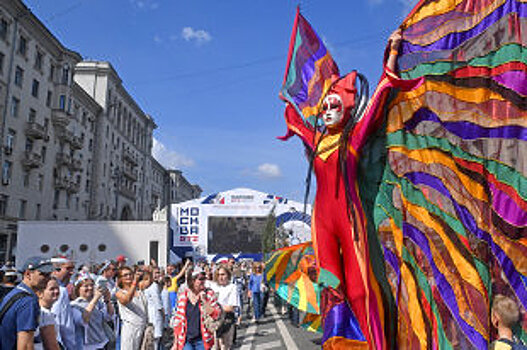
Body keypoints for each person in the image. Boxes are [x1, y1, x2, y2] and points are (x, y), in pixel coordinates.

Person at [280, 28, 403, 348]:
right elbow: (296, 121)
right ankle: (338, 342)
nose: (328, 110)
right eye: (325, 106)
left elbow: (379, 98)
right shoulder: (317, 141)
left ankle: (374, 342)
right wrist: (287, 98)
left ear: (346, 109)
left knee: (361, 288)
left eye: (335, 105)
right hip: (322, 222)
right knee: (331, 285)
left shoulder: (353, 140)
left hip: (351, 219)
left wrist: (391, 56)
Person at [0, 256, 53, 349]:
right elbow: (25, 346)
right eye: (43, 274)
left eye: (49, 274)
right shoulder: (28, 302)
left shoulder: (14, 293)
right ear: (28, 274)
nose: (48, 279)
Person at [171, 268, 222, 350]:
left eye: (204, 278)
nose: (203, 281)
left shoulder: (209, 294)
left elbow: (215, 315)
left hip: (202, 340)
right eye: (200, 279)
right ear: (192, 281)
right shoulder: (183, 296)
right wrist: (175, 343)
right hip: (186, 340)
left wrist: (204, 301)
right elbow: (178, 321)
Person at [71, 273, 114, 349]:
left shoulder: (98, 303)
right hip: (87, 346)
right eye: (86, 286)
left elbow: (108, 317)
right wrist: (95, 299)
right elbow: (84, 320)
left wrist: (107, 300)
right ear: (78, 289)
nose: (90, 288)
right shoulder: (74, 305)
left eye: (91, 285)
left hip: (102, 343)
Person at [116, 266, 148, 350]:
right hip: (130, 328)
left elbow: (149, 282)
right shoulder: (119, 293)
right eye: (125, 275)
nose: (128, 276)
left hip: (143, 327)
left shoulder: (139, 289)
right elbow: (126, 299)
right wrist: (134, 282)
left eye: (130, 274)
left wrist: (149, 272)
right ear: (120, 279)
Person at [51, 257, 78, 349]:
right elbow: (64, 324)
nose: (72, 273)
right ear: (55, 271)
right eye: (68, 269)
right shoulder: (60, 291)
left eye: (72, 269)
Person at [211, 266, 239, 350]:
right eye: (218, 275)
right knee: (214, 346)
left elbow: (231, 307)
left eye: (223, 274)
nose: (221, 277)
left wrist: (214, 308)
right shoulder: (213, 286)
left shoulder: (232, 287)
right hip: (214, 320)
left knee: (225, 346)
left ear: (228, 275)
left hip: (227, 319)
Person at [34, 277, 61, 350]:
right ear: (40, 293)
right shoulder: (45, 314)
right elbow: (51, 346)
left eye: (57, 288)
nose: (56, 291)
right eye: (52, 289)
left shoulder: (46, 312)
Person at [143, 267, 165, 350]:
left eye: (158, 273)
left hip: (152, 315)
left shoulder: (154, 285)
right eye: (155, 273)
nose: (158, 275)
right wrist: (164, 316)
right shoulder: (154, 286)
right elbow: (158, 304)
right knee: (155, 342)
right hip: (155, 316)